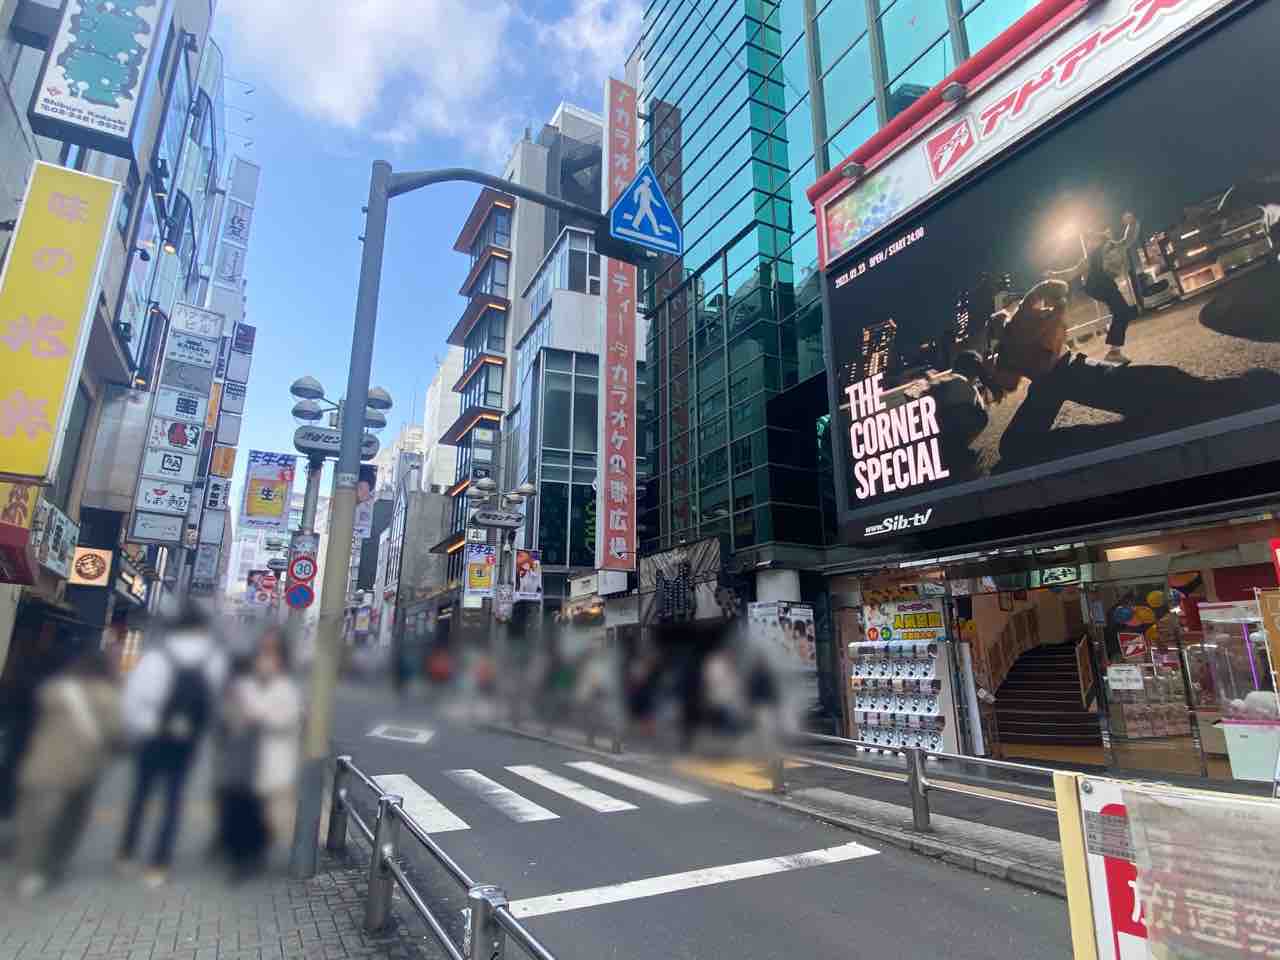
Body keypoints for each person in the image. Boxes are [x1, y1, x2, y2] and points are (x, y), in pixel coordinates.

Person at [967, 279, 1280, 469]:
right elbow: (1007, 384)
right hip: (1054, 380)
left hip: (1065, 372)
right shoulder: (1007, 350)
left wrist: (1031, 308)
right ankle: (1113, 438)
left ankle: (1249, 390)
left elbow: (1058, 289)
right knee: (1016, 446)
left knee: (1172, 393)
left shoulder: (1023, 322)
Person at [118, 603, 226, 887]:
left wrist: (134, 732)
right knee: (174, 799)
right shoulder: (213, 660)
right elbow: (215, 704)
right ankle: (159, 864)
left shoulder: (156, 657)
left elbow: (133, 700)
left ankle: (127, 853)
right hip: (186, 740)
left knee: (140, 795)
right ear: (203, 628)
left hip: (151, 737)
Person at [12, 650, 122, 897]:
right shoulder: (108, 696)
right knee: (71, 821)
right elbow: (116, 733)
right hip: (84, 770)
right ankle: (55, 864)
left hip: (43, 766)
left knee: (35, 823)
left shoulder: (53, 691)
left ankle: (29, 871)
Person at [221, 632, 301, 878]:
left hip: (271, 760)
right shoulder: (243, 685)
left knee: (266, 814)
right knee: (241, 809)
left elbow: (288, 720)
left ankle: (255, 855)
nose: (266, 660)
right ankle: (239, 858)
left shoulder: (287, 688)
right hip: (242, 760)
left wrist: (257, 716)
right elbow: (228, 717)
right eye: (264, 653)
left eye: (272, 654)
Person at [1046, 212, 1139, 365]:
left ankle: (1114, 350)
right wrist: (1132, 223)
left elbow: (1073, 272)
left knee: (1120, 312)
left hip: (1096, 285)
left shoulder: (1105, 249)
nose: (1092, 245)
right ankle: (1114, 352)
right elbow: (1073, 271)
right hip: (1100, 283)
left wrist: (1131, 224)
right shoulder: (1098, 253)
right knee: (1122, 311)